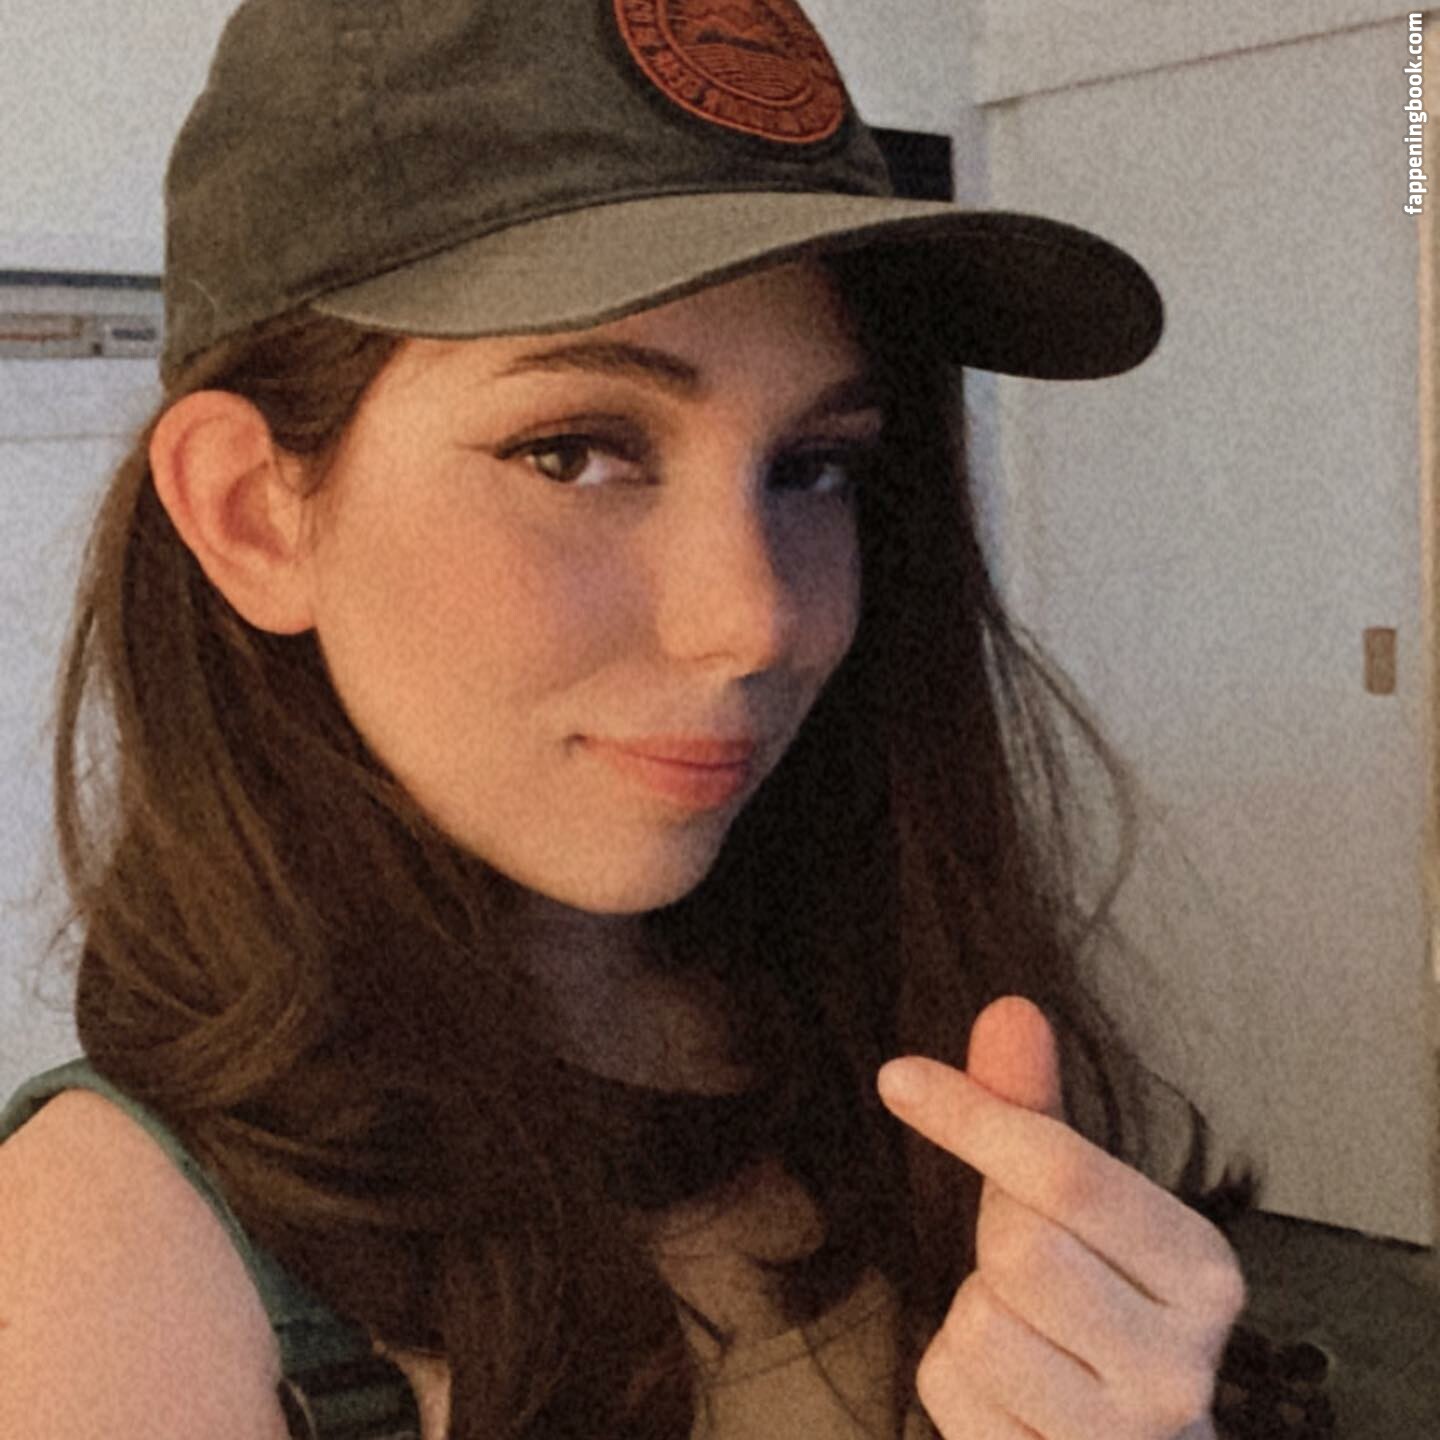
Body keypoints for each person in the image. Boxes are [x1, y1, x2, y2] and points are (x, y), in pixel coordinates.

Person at [0, 2, 1271, 1438]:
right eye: (575, 453)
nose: (758, 619)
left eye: (816, 466)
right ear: (252, 514)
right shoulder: (116, 1264)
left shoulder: (914, 1035)